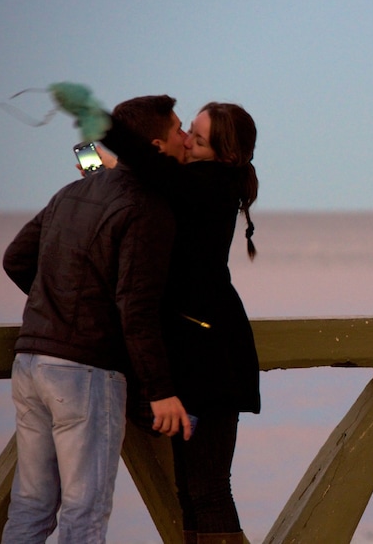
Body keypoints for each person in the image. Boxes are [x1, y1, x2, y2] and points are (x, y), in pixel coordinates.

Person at [2, 94, 193, 543]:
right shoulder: (149, 208)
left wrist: (60, 306)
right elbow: (136, 306)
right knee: (84, 514)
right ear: (155, 146)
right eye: (179, 129)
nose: (186, 138)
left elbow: (16, 260)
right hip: (85, 373)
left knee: (30, 506)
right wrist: (161, 390)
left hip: (31, 362)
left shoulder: (75, 190)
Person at [105, 101, 260, 544]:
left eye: (198, 138)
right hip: (195, 351)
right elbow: (147, 179)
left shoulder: (211, 182)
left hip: (212, 357)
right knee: (190, 491)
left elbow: (155, 172)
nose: (188, 140)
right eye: (189, 130)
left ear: (224, 154)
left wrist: (105, 127)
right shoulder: (194, 185)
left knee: (209, 490)